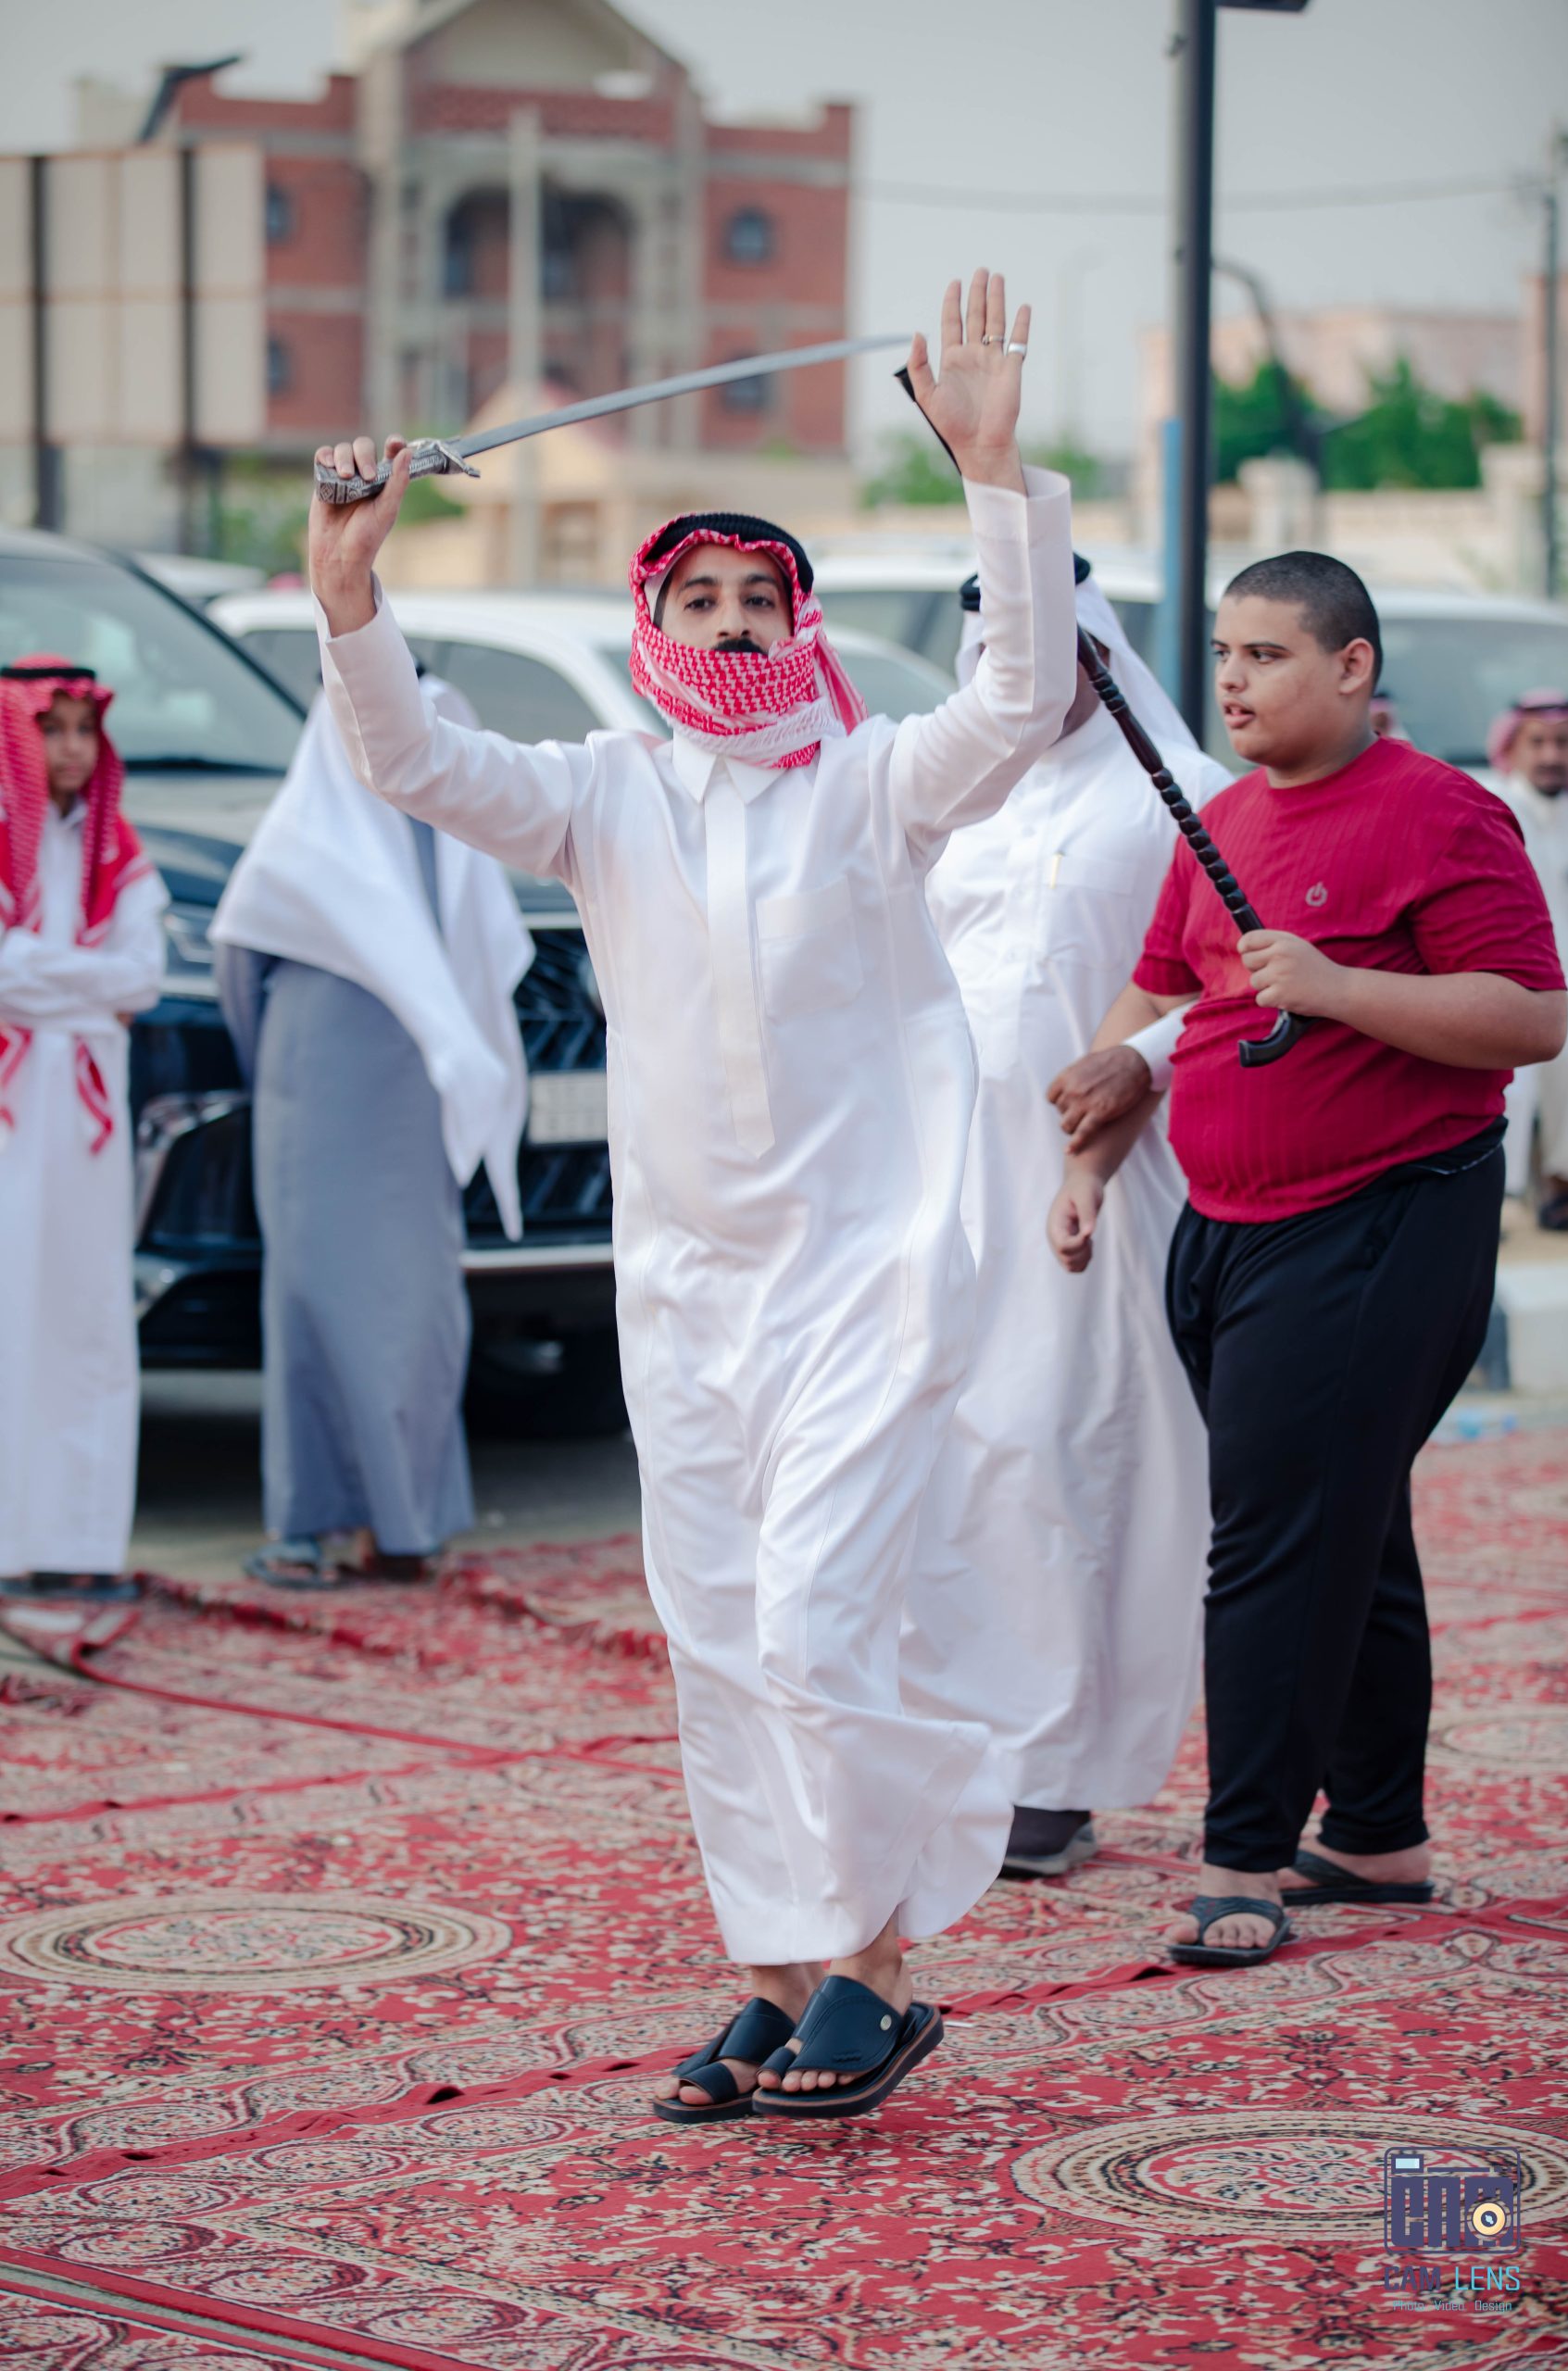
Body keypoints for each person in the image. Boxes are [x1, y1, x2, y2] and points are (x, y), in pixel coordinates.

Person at [308, 272, 1074, 2120]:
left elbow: (1019, 695)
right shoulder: (602, 794)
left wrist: (989, 473)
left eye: (758, 596)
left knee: (814, 1616)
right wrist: (348, 588)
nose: (729, 620)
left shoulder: (875, 784)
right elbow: (406, 758)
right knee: (721, 1634)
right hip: (687, 1291)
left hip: (866, 1277)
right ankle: (777, 1967)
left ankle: (876, 1965)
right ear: (648, 624)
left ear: (801, 627)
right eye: (696, 597)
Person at [1049, 551, 1566, 1969]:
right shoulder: (1218, 819)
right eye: (1223, 653)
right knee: (1344, 1519)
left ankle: (1241, 1857)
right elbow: (1156, 999)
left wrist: (1338, 987)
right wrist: (1086, 1158)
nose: (1231, 680)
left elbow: (1528, 1017)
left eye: (1265, 654)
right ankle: (1376, 1831)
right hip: (1221, 1224)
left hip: (1381, 1217)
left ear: (1350, 667)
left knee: (1271, 1542)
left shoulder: (1439, 811)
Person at [905, 562, 1228, 1879]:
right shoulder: (954, 796)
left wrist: (1137, 1061)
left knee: (1063, 1453)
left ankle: (1054, 1769)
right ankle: (965, 1753)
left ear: (1097, 651)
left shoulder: (1181, 792)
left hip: (1100, 1181)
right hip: (943, 1180)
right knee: (949, 1455)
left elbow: (1232, 983)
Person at [211, 671, 531, 1588]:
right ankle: (317, 1521)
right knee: (316, 1299)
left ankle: (402, 1523)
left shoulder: (444, 826)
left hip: (410, 1092)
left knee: (416, 1304)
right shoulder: (303, 840)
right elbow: (242, 973)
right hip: (316, 1087)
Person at [0, 657, 168, 1602]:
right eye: (50, 730)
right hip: (17, 1108)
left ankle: (80, 1539)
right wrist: (89, 992)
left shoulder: (116, 847)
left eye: (83, 731)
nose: (69, 750)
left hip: (87, 1120)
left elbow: (142, 976)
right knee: (11, 1308)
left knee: (87, 1315)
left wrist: (43, 977)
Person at [1485, 691, 1568, 1229]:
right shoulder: (1492, 809)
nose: (1551, 756)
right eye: (1537, 742)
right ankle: (1501, 1195)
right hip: (1509, 984)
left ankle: (1566, 1184)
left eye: (1563, 743)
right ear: (1512, 748)